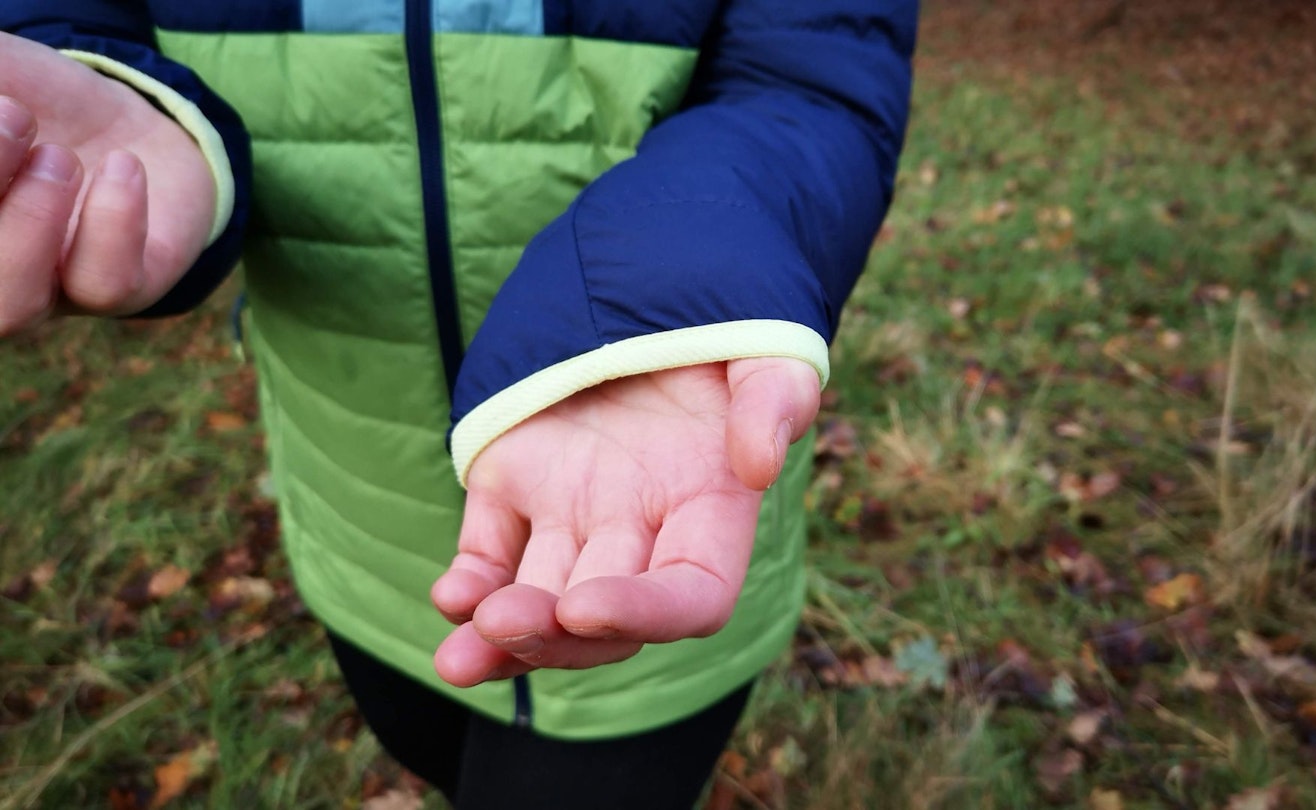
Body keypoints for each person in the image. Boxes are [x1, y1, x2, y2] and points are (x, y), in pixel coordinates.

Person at [0, 2, 915, 807]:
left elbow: (812, 78)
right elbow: (77, 17)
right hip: (356, 518)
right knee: (430, 746)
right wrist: (139, 115)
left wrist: (666, 281)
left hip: (671, 506)